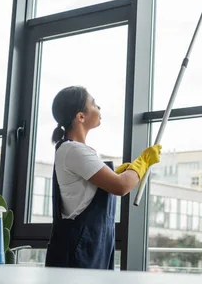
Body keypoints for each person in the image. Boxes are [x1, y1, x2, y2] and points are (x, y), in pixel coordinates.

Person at [45, 85, 161, 269]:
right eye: (94, 104)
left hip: (93, 247)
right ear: (80, 116)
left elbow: (90, 191)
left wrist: (121, 172)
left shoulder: (75, 150)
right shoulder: (73, 149)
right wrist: (143, 161)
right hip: (79, 253)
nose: (99, 108)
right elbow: (121, 186)